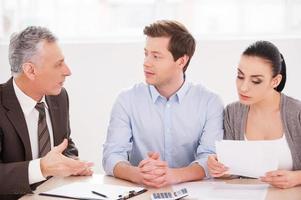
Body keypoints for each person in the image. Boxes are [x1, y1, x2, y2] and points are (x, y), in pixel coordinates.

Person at [103, 20, 224, 188]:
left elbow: (210, 158)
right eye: (146, 53)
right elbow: (112, 155)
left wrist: (173, 176)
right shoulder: (126, 100)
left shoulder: (210, 102)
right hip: (142, 192)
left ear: (181, 61)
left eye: (156, 56)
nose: (146, 62)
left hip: (193, 192)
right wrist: (139, 174)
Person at [0, 26, 93, 199]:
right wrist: (42, 168)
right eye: (58, 64)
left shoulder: (58, 96)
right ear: (30, 70)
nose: (68, 71)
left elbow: (65, 143)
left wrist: (72, 163)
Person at [207, 40, 301, 189]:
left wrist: (297, 178)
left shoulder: (297, 113)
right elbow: (233, 172)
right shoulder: (232, 112)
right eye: (240, 76)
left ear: (275, 81)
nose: (243, 88)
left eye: (256, 81)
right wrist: (219, 168)